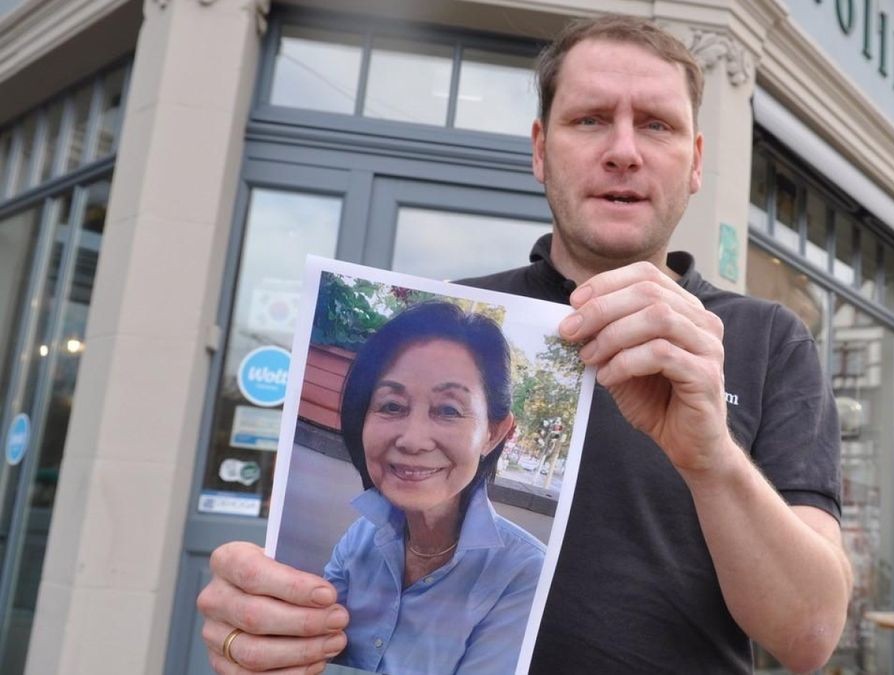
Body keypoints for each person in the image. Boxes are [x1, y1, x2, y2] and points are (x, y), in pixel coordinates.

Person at [197, 14, 852, 674]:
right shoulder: (448, 323)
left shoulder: (769, 341)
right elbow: (336, 629)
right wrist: (266, 627)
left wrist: (712, 458)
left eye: (657, 124)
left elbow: (809, 635)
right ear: (540, 149)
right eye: (590, 119)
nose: (624, 149)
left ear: (697, 162)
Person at [318, 301, 544, 673]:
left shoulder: (525, 574)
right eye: (391, 406)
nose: (413, 440)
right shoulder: (360, 538)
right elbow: (310, 651)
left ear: (494, 433)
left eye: (449, 410)